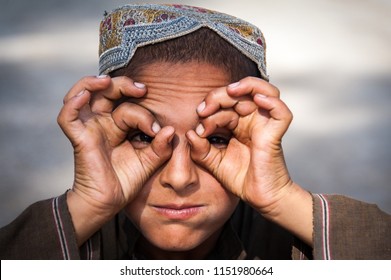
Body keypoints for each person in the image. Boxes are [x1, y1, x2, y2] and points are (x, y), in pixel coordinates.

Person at [0, 3, 390, 260]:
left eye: (216, 139)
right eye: (144, 137)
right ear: (105, 137)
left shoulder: (289, 247)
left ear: (253, 139)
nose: (180, 177)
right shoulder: (73, 239)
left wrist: (283, 199)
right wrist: (87, 204)